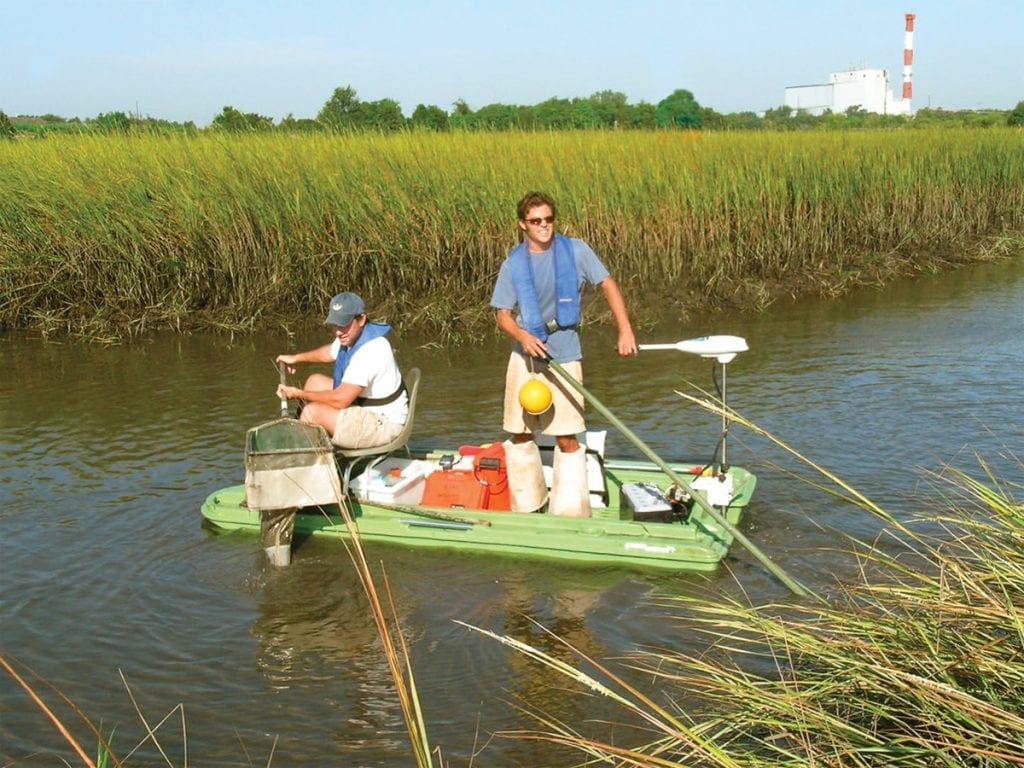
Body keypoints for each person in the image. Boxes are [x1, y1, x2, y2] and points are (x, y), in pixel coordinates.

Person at [490, 191, 637, 517]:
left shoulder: (577, 250)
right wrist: (522, 335)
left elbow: (608, 285)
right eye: (535, 221)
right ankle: (528, 505)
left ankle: (571, 511)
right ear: (522, 225)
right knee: (519, 431)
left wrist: (624, 329)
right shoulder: (512, 264)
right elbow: (502, 314)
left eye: (548, 219)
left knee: (566, 436)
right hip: (526, 355)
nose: (543, 226)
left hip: (565, 353)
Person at [275, 292, 408, 449]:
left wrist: (297, 394)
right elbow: (329, 352)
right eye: (335, 324)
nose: (338, 332)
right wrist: (296, 358)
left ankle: (307, 459)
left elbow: (340, 400)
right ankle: (303, 441)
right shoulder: (352, 335)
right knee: (314, 382)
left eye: (344, 324)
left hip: (384, 423)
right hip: (366, 406)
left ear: (362, 319)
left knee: (312, 413)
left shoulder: (371, 350)